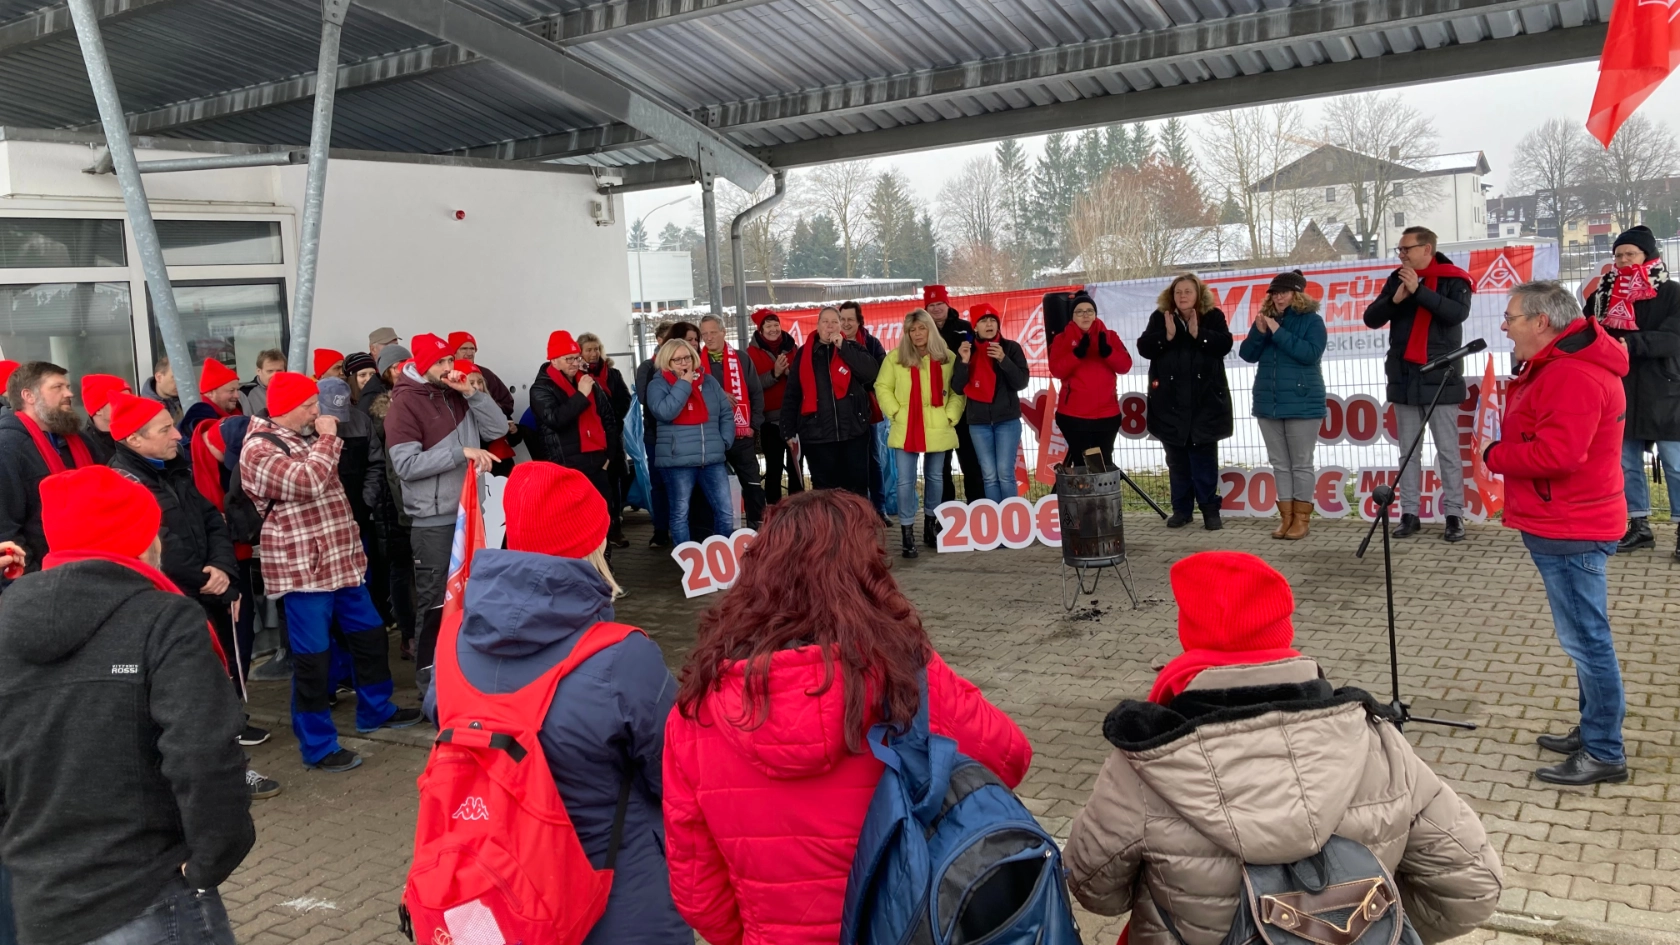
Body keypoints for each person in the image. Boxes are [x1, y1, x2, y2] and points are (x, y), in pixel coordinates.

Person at [1064, 550, 1503, 943]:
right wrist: (1375, 926)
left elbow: (1094, 891)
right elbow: (1473, 885)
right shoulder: (1378, 740)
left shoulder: (1144, 759)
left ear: (1191, 634)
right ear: (1282, 630)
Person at [663, 489, 1032, 945]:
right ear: (867, 575)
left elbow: (697, 890)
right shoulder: (907, 677)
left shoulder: (696, 711)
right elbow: (1011, 757)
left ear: (755, 574)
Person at [424, 462, 688, 944]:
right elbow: (677, 774)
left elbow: (441, 716)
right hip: (615, 894)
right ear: (593, 544)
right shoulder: (622, 655)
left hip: (495, 892)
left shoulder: (453, 641)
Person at [0, 465, 255, 945]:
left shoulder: (6, 619)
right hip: (148, 895)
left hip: (40, 900)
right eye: (155, 528)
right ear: (137, 540)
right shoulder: (166, 618)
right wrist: (214, 856)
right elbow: (203, 750)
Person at [1486, 281, 1631, 785]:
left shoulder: (1571, 373)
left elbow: (1557, 455)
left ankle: (1605, 752)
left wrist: (1495, 455)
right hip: (1569, 519)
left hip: (1573, 525)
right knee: (1585, 639)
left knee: (1588, 642)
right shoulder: (1560, 365)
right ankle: (1595, 728)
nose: (1505, 327)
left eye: (1510, 318)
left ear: (1540, 322)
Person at [241, 372, 422, 770]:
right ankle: (318, 745)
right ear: (286, 408)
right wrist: (327, 438)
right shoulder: (258, 448)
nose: (317, 411)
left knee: (371, 637)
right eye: (309, 405)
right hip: (303, 573)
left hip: (341, 564)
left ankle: (376, 709)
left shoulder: (304, 437)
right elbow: (307, 482)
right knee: (313, 660)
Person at [107, 393, 282, 799]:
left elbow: (211, 517)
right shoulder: (123, 482)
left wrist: (223, 569)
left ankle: (233, 770)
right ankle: (201, 781)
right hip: (173, 600)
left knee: (219, 688)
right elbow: (153, 543)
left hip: (207, 594)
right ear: (134, 439)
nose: (177, 435)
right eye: (165, 429)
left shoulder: (175, 468)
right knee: (189, 695)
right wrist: (206, 577)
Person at [384, 333, 504, 688]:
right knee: (436, 604)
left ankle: (467, 675)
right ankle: (431, 686)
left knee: (474, 598)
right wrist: (460, 452)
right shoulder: (404, 403)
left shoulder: (457, 392)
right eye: (439, 363)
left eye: (449, 360)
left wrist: (473, 393)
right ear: (422, 366)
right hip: (433, 521)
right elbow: (405, 465)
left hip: (470, 514)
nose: (448, 368)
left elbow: (497, 429)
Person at [1362, 226, 1474, 542]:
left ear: (1426, 249)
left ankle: (1454, 515)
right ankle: (1409, 513)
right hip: (1404, 377)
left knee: (1448, 452)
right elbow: (1372, 318)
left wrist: (1420, 292)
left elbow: (1456, 314)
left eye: (1406, 249)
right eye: (1399, 250)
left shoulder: (1455, 278)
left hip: (1441, 379)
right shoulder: (1397, 278)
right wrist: (1396, 299)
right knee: (1408, 453)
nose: (1401, 255)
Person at [1583, 226, 1680, 557]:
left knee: (1675, 464)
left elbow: (1673, 338)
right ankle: (1638, 526)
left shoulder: (1672, 293)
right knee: (1625, 463)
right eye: (1619, 255)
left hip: (1664, 391)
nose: (1623, 261)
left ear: (1649, 256)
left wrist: (1628, 343)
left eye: (1631, 254)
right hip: (1618, 390)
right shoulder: (1602, 296)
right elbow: (1587, 333)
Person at [1137, 274, 1234, 530]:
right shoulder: (1160, 317)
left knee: (1204, 460)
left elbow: (1225, 343)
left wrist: (1198, 333)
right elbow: (1144, 347)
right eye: (1178, 291)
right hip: (1170, 405)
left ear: (1198, 294)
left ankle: (1210, 510)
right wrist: (1166, 337)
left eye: (1188, 291)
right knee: (1177, 461)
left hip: (1205, 403)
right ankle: (1181, 510)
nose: (1182, 296)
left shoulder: (1212, 316)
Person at [1239, 271, 1327, 541]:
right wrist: (1260, 333)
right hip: (1269, 403)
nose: (1278, 297)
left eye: (1284, 292)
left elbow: (1310, 354)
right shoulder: (1266, 321)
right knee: (1280, 464)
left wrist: (1277, 332)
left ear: (1297, 294)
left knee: (1300, 464)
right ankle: (1286, 517)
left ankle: (1301, 519)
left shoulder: (1312, 321)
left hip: (1302, 402)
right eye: (1275, 292)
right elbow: (1247, 354)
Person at [877, 308, 965, 558]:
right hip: (907, 425)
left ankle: (930, 526)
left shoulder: (946, 357)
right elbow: (882, 386)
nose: (917, 334)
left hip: (938, 423)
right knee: (905, 481)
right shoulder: (895, 358)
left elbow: (958, 390)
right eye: (912, 329)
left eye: (921, 328)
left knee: (936, 477)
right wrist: (895, 412)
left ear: (930, 328)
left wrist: (951, 415)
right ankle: (907, 533)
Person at [0, 361, 99, 581]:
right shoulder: (7, 447)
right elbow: (5, 529)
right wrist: (35, 580)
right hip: (45, 579)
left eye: (67, 386)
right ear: (29, 396)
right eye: (58, 387)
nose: (69, 393)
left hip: (94, 567)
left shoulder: (79, 439)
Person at [782, 306, 879, 499]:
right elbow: (792, 393)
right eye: (825, 322)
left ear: (840, 326)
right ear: (817, 326)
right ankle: (830, 529)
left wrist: (844, 348)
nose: (830, 326)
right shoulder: (804, 354)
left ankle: (857, 529)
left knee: (856, 490)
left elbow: (871, 374)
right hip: (817, 436)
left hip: (853, 433)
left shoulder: (853, 348)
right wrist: (787, 429)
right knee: (825, 494)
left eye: (835, 322)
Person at [647, 337, 735, 545]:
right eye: (677, 360)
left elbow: (725, 413)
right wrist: (684, 384)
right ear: (667, 362)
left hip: (711, 458)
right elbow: (665, 412)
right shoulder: (657, 385)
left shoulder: (710, 382)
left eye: (687, 357)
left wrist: (724, 441)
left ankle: (723, 561)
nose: (684, 363)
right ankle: (687, 567)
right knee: (680, 514)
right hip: (678, 461)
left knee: (725, 511)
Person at [951, 303, 1030, 503]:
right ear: (974, 327)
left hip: (1007, 420)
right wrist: (964, 362)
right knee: (989, 475)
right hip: (978, 422)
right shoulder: (966, 350)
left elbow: (1021, 382)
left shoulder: (1011, 348)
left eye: (993, 320)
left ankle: (1011, 520)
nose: (989, 324)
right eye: (983, 321)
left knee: (1005, 473)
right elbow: (958, 387)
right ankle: (996, 522)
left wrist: (1004, 360)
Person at [531, 330, 619, 508]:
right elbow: (555, 420)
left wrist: (609, 456)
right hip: (566, 464)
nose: (574, 363)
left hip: (597, 461)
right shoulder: (541, 389)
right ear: (554, 361)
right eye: (568, 359)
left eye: (577, 358)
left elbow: (609, 418)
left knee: (602, 512)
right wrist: (581, 395)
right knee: (574, 517)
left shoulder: (587, 381)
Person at [1049, 290, 1134, 469]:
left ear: (1095, 314)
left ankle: (1102, 497)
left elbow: (1125, 366)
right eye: (1079, 311)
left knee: (1102, 464)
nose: (1085, 315)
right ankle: (1083, 497)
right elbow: (1056, 370)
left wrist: (1108, 353)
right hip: (1073, 416)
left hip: (1107, 415)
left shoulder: (1110, 336)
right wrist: (1076, 354)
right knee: (1081, 464)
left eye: (1089, 311)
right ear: (1072, 316)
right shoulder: (1061, 339)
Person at [699, 314, 767, 529]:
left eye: (713, 332)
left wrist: (754, 425)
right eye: (704, 334)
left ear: (723, 332)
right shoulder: (695, 363)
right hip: (711, 437)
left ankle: (758, 528)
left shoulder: (741, 358)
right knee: (715, 488)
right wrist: (718, 396)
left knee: (752, 483)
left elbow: (756, 393)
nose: (709, 338)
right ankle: (721, 532)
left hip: (742, 435)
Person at [923, 285, 986, 504]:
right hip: (935, 407)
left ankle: (978, 510)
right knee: (940, 466)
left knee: (971, 461)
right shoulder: (922, 331)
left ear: (947, 304)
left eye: (940, 304)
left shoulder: (964, 327)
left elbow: (975, 361)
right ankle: (944, 515)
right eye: (931, 305)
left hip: (963, 404)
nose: (936, 309)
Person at [580, 332, 633, 546]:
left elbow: (625, 400)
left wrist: (612, 420)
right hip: (589, 439)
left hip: (611, 435)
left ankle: (615, 527)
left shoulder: (613, 373)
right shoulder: (578, 377)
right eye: (588, 350)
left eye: (596, 349)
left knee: (614, 482)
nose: (593, 354)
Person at [837, 301, 890, 519]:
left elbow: (882, 373)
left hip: (866, 411)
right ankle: (852, 512)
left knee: (872, 460)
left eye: (851, 319)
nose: (846, 323)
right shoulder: (830, 342)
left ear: (859, 321)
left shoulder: (871, 343)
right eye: (842, 319)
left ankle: (879, 509)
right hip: (840, 415)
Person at [747, 309, 802, 503]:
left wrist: (790, 374)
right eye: (768, 326)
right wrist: (775, 373)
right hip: (769, 420)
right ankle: (773, 510)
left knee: (796, 467)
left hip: (795, 417)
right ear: (760, 330)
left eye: (775, 324)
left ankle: (797, 509)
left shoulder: (792, 347)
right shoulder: (751, 354)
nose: (773, 329)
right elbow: (752, 386)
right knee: (774, 468)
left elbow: (803, 378)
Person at [635, 321, 682, 547]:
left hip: (683, 436)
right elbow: (646, 400)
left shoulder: (687, 366)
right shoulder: (647, 367)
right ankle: (661, 530)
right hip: (656, 436)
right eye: (667, 339)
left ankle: (681, 528)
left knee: (680, 485)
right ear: (659, 341)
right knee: (659, 484)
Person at [449, 331, 517, 419]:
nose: (469, 353)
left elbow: (507, 403)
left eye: (472, 349)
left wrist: (490, 411)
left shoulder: (485, 373)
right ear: (453, 352)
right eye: (464, 349)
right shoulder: (447, 377)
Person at [179, 357, 242, 439]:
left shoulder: (234, 411)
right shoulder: (200, 421)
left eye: (237, 390)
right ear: (210, 393)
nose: (237, 395)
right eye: (231, 390)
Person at [80, 372, 131, 464]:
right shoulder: (84, 449)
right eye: (120, 400)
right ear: (98, 409)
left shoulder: (139, 432)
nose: (130, 404)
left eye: (130, 399)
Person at [238, 347, 287, 417]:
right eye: (270, 371)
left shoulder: (293, 390)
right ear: (258, 371)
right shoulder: (245, 394)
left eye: (279, 371)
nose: (275, 375)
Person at [141, 354, 182, 422]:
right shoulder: (146, 412)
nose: (180, 383)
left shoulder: (187, 399)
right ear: (159, 377)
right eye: (175, 378)